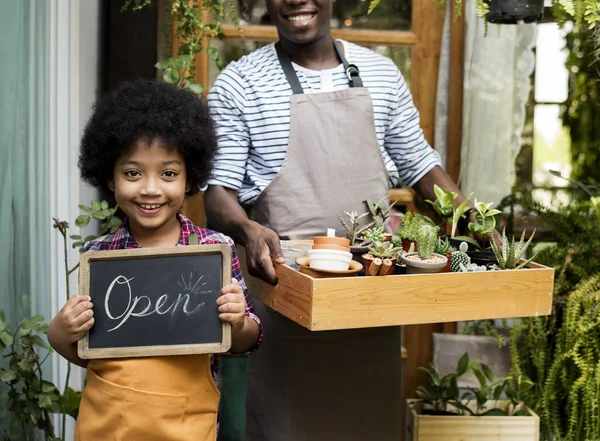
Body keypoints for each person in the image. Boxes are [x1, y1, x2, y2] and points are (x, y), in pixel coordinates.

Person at [205, 0, 484, 439]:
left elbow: (419, 166)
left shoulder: (382, 73)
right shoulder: (241, 83)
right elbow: (218, 195)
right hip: (287, 289)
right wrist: (250, 230)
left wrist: (474, 220)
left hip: (369, 293)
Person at [47, 79, 263, 441]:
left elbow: (249, 339)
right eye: (132, 173)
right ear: (110, 178)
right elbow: (90, 349)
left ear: (190, 176)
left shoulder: (214, 250)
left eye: (168, 173)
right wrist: (59, 334)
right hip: (108, 424)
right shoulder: (101, 257)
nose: (150, 189)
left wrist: (238, 321)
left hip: (187, 425)